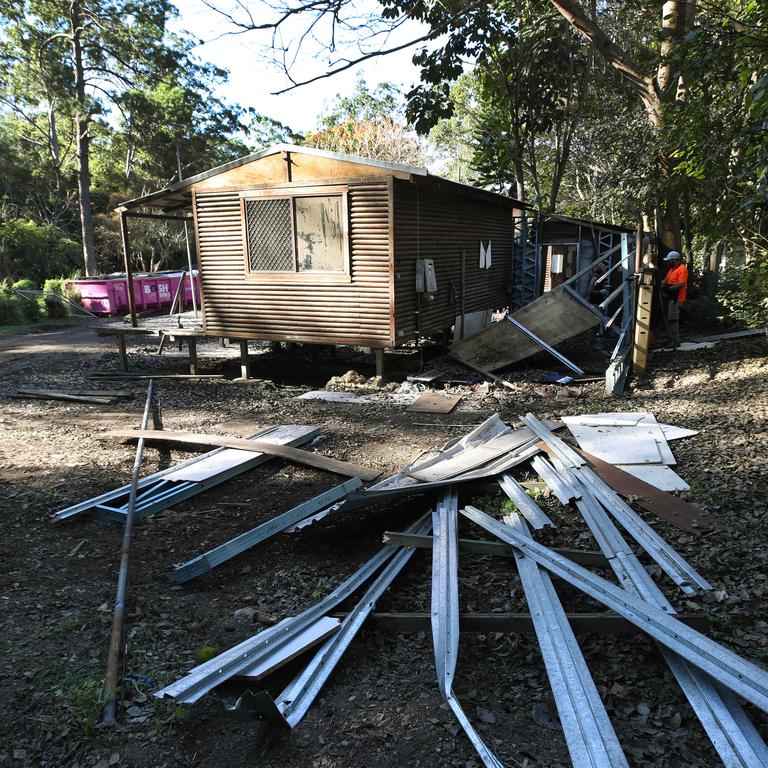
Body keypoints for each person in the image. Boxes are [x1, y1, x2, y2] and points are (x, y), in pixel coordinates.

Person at [660, 250, 688, 347]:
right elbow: (665, 280)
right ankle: (671, 339)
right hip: (671, 297)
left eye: (670, 260)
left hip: (677, 298)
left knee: (673, 319)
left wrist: (669, 288)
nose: (668, 262)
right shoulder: (672, 269)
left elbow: (682, 284)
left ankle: (675, 342)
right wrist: (661, 284)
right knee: (669, 318)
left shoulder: (682, 269)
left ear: (675, 260)